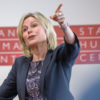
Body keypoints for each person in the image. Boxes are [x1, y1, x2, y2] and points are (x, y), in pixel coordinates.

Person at [0, 3, 80, 100]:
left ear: (47, 31)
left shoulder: (59, 55)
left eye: (34, 25)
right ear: (23, 39)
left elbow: (72, 45)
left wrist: (64, 27)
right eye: (24, 29)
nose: (29, 30)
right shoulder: (20, 64)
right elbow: (2, 95)